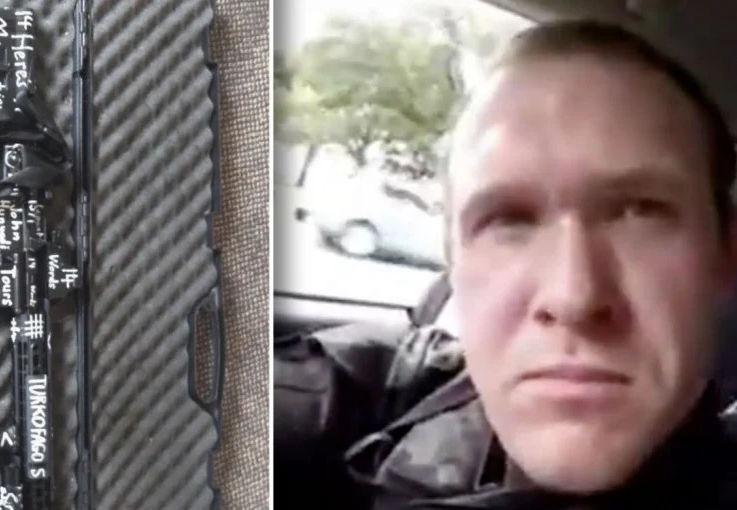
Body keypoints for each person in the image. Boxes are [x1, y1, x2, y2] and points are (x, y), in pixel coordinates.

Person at [274, 19, 737, 509]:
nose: (573, 296)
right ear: (453, 261)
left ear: (726, 253)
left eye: (640, 212)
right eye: (507, 219)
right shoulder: (395, 388)